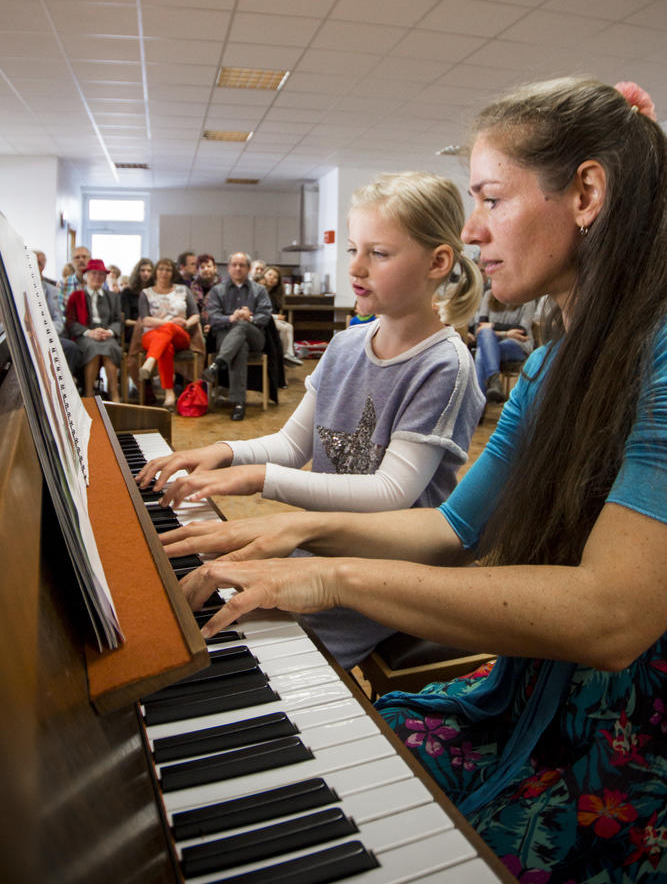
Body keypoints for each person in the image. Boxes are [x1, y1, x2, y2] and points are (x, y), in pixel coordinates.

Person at [164, 78, 667, 884]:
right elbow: (450, 531)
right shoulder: (545, 369)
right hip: (529, 697)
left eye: (491, 199)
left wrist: (329, 570)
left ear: (584, 193)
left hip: (623, 749)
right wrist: (290, 534)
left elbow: (612, 615)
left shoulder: (662, 355)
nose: (471, 232)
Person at [138, 171, 485, 667]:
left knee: (244, 657)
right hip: (325, 546)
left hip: (388, 573)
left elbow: (391, 493)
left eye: (378, 253)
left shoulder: (444, 365)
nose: (356, 268)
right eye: (352, 250)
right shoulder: (345, 346)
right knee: (195, 601)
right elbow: (292, 444)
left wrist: (260, 479)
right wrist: (223, 452)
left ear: (438, 262)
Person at [201, 252, 273, 421]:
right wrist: (231, 318)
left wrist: (251, 318)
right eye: (234, 265)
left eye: (242, 265)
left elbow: (266, 315)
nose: (238, 268)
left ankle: (217, 364)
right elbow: (211, 316)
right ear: (228, 268)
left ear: (248, 268)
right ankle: (239, 403)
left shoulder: (259, 290)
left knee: (242, 326)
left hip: (255, 335)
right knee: (240, 347)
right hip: (225, 336)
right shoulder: (217, 290)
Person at [137, 257, 200, 411]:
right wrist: (169, 323)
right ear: (155, 272)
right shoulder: (146, 293)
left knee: (169, 331)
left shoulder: (183, 290)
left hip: (180, 334)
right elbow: (145, 320)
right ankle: (169, 394)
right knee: (166, 346)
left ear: (173, 273)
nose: (164, 273)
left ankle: (150, 361)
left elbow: (196, 315)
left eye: (168, 269)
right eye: (161, 269)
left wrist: (186, 323)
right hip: (152, 335)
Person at [65, 258, 121, 400]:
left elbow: (117, 320)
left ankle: (114, 393)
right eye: (93, 273)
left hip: (107, 334)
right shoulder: (77, 296)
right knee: (93, 348)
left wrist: (109, 332)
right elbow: (71, 322)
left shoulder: (112, 297)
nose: (97, 277)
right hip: (86, 335)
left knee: (110, 348)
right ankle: (89, 394)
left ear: (105, 277)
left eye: (101, 274)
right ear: (86, 275)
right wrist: (89, 332)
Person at [474, 290, 538, 402]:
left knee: (481, 354)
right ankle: (494, 382)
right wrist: (507, 333)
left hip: (518, 345)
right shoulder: (489, 295)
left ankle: (477, 408)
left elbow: (522, 330)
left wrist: (493, 326)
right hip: (490, 342)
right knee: (484, 341)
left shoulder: (528, 298)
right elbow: (481, 328)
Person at [33, 249, 80, 375]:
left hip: (46, 334)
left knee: (70, 347)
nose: (33, 265)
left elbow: (58, 319)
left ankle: (64, 388)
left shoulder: (51, 290)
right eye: (30, 261)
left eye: (38, 263)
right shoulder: (12, 288)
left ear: (43, 267)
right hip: (22, 336)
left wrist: (44, 332)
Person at [262, 265, 302, 367]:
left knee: (289, 326)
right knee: (284, 328)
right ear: (264, 275)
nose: (272, 278)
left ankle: (289, 355)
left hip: (272, 319)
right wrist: (276, 317)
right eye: (270, 274)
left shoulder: (274, 295)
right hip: (265, 320)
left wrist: (276, 317)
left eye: (275, 277)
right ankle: (286, 355)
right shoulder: (260, 291)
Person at [189, 253, 221, 344]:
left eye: (209, 266)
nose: (206, 269)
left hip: (217, 323)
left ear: (215, 268)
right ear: (197, 270)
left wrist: (212, 324)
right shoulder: (192, 287)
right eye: (202, 267)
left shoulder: (222, 286)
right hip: (198, 324)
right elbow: (192, 310)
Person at [120, 258, 154, 343]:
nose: (146, 273)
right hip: (134, 327)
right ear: (137, 272)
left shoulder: (155, 291)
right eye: (143, 270)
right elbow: (126, 320)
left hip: (154, 325)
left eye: (149, 271)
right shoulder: (127, 292)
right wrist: (143, 324)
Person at [57, 245, 90, 317]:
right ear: (72, 262)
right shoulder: (63, 284)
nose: (81, 260)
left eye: (84, 257)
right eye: (77, 257)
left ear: (90, 260)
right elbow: (60, 311)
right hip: (70, 326)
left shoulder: (101, 283)